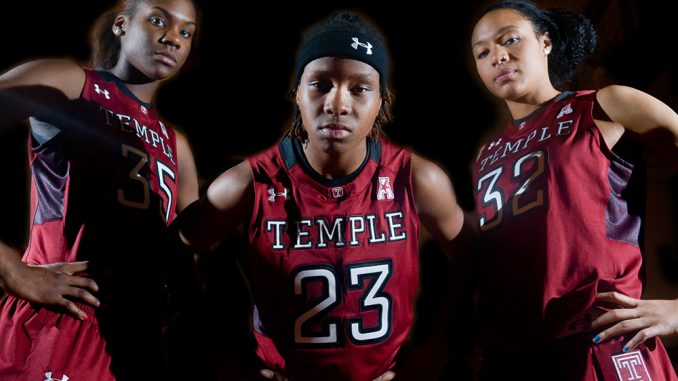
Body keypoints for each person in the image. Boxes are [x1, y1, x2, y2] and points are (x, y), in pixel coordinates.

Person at [175, 11, 472, 381]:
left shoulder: (416, 179)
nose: (338, 104)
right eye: (320, 84)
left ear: (381, 100)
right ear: (297, 94)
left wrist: (435, 351)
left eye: (360, 88)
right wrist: (228, 356)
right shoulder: (248, 184)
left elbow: (475, 258)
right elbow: (174, 254)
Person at [470, 0, 678, 379]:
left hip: (601, 342)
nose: (497, 56)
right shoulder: (488, 155)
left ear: (545, 42)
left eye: (510, 40)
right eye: (482, 52)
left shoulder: (607, 106)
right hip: (513, 357)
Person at [0, 0, 199, 379]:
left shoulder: (177, 147)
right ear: (122, 26)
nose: (173, 38)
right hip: (60, 321)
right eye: (159, 20)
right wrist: (11, 270)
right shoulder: (71, 83)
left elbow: (190, 258)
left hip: (134, 344)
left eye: (186, 32)